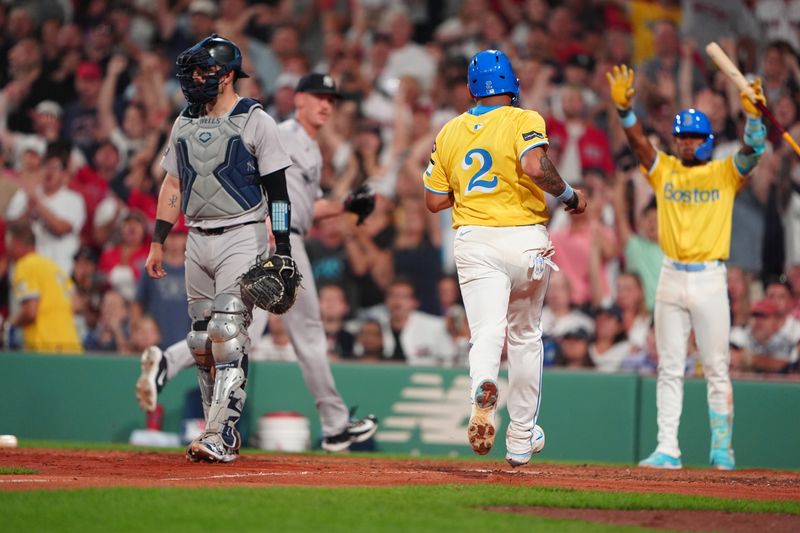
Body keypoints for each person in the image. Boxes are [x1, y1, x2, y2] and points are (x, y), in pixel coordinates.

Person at [137, 71, 378, 455]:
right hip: (271, 240)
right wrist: (269, 235)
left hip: (286, 236)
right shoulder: (280, 130)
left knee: (259, 330)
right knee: (258, 331)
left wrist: (343, 207)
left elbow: (304, 206)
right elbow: (264, 185)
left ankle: (168, 362)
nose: (326, 104)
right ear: (298, 99)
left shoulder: (312, 148)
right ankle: (332, 426)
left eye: (331, 99)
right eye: (318, 96)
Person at [424, 49, 587, 467]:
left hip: (476, 239)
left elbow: (433, 200)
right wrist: (568, 194)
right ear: (512, 85)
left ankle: (482, 386)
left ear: (472, 89)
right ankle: (519, 438)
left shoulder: (450, 131)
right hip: (524, 238)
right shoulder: (524, 118)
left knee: (486, 333)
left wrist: (475, 189)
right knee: (525, 336)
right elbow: (535, 165)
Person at [607, 64, 767, 470]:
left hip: (711, 277)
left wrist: (753, 117)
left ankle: (722, 450)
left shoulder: (723, 172)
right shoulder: (666, 170)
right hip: (672, 275)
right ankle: (667, 449)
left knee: (716, 368)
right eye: (681, 136)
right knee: (669, 367)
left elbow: (753, 154)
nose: (687, 142)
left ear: (708, 140)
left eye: (695, 136)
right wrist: (626, 112)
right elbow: (642, 146)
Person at [144, 35, 294, 463]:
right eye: (191, 70)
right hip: (196, 235)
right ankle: (214, 429)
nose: (194, 78)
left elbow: (278, 193)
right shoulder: (183, 122)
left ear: (227, 75)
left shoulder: (255, 120)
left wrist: (281, 247)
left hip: (242, 234)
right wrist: (158, 239)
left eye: (203, 70)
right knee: (200, 341)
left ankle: (221, 433)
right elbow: (173, 183)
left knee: (228, 332)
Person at [6, 221, 82, 353]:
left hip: (45, 347)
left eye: (9, 244)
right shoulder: (53, 266)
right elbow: (76, 305)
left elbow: (31, 311)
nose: (7, 250)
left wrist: (9, 324)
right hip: (71, 345)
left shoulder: (25, 265)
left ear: (16, 243)